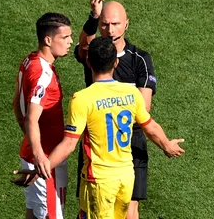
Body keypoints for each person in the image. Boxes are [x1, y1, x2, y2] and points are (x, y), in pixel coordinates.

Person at [17, 37, 185, 219]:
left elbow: (69, 145)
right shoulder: (132, 94)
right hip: (126, 178)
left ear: (88, 61)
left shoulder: (82, 99)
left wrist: (41, 169)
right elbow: (150, 126)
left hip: (99, 181)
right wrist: (167, 145)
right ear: (116, 62)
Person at [73, 0, 157, 219]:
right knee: (91, 209)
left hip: (130, 143)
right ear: (99, 26)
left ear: (126, 24)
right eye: (105, 24)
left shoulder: (140, 59)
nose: (110, 30)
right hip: (97, 144)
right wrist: (92, 15)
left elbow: (144, 108)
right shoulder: (95, 53)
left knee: (130, 211)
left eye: (116, 24)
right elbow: (83, 44)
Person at [11, 12, 73, 219]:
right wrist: (40, 157)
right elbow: (31, 117)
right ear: (48, 40)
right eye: (65, 38)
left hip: (35, 153)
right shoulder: (42, 75)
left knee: (34, 213)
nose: (70, 42)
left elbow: (17, 105)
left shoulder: (30, 60)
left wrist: (30, 140)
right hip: (46, 160)